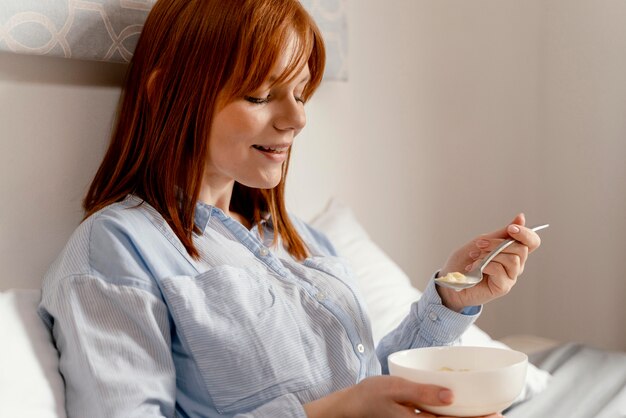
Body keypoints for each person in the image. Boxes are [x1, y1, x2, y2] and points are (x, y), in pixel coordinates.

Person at [38, 0, 542, 417]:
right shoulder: (119, 248)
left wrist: (449, 299)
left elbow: (366, 389)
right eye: (262, 95)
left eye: (301, 92)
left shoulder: (298, 240)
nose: (297, 118)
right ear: (167, 93)